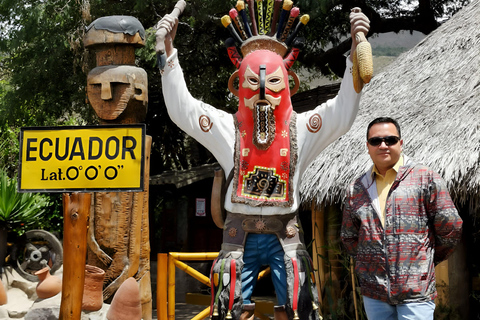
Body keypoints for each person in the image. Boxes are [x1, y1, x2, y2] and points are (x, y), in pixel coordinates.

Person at [157, 7, 370, 320]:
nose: (261, 91)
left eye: (272, 82)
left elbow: (342, 112)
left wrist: (354, 52)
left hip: (286, 232)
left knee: (299, 308)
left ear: (288, 85)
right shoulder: (227, 128)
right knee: (227, 309)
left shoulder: (303, 128)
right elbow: (183, 110)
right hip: (236, 233)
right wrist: (168, 56)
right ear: (238, 86)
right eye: (252, 82)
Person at [341, 117, 463, 320]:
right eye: (375, 141)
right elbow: (349, 236)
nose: (383, 145)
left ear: (401, 143)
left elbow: (450, 227)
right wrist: (372, 263)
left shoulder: (425, 178)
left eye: (390, 140)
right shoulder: (357, 188)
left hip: (415, 292)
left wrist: (424, 261)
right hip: (374, 293)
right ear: (368, 147)